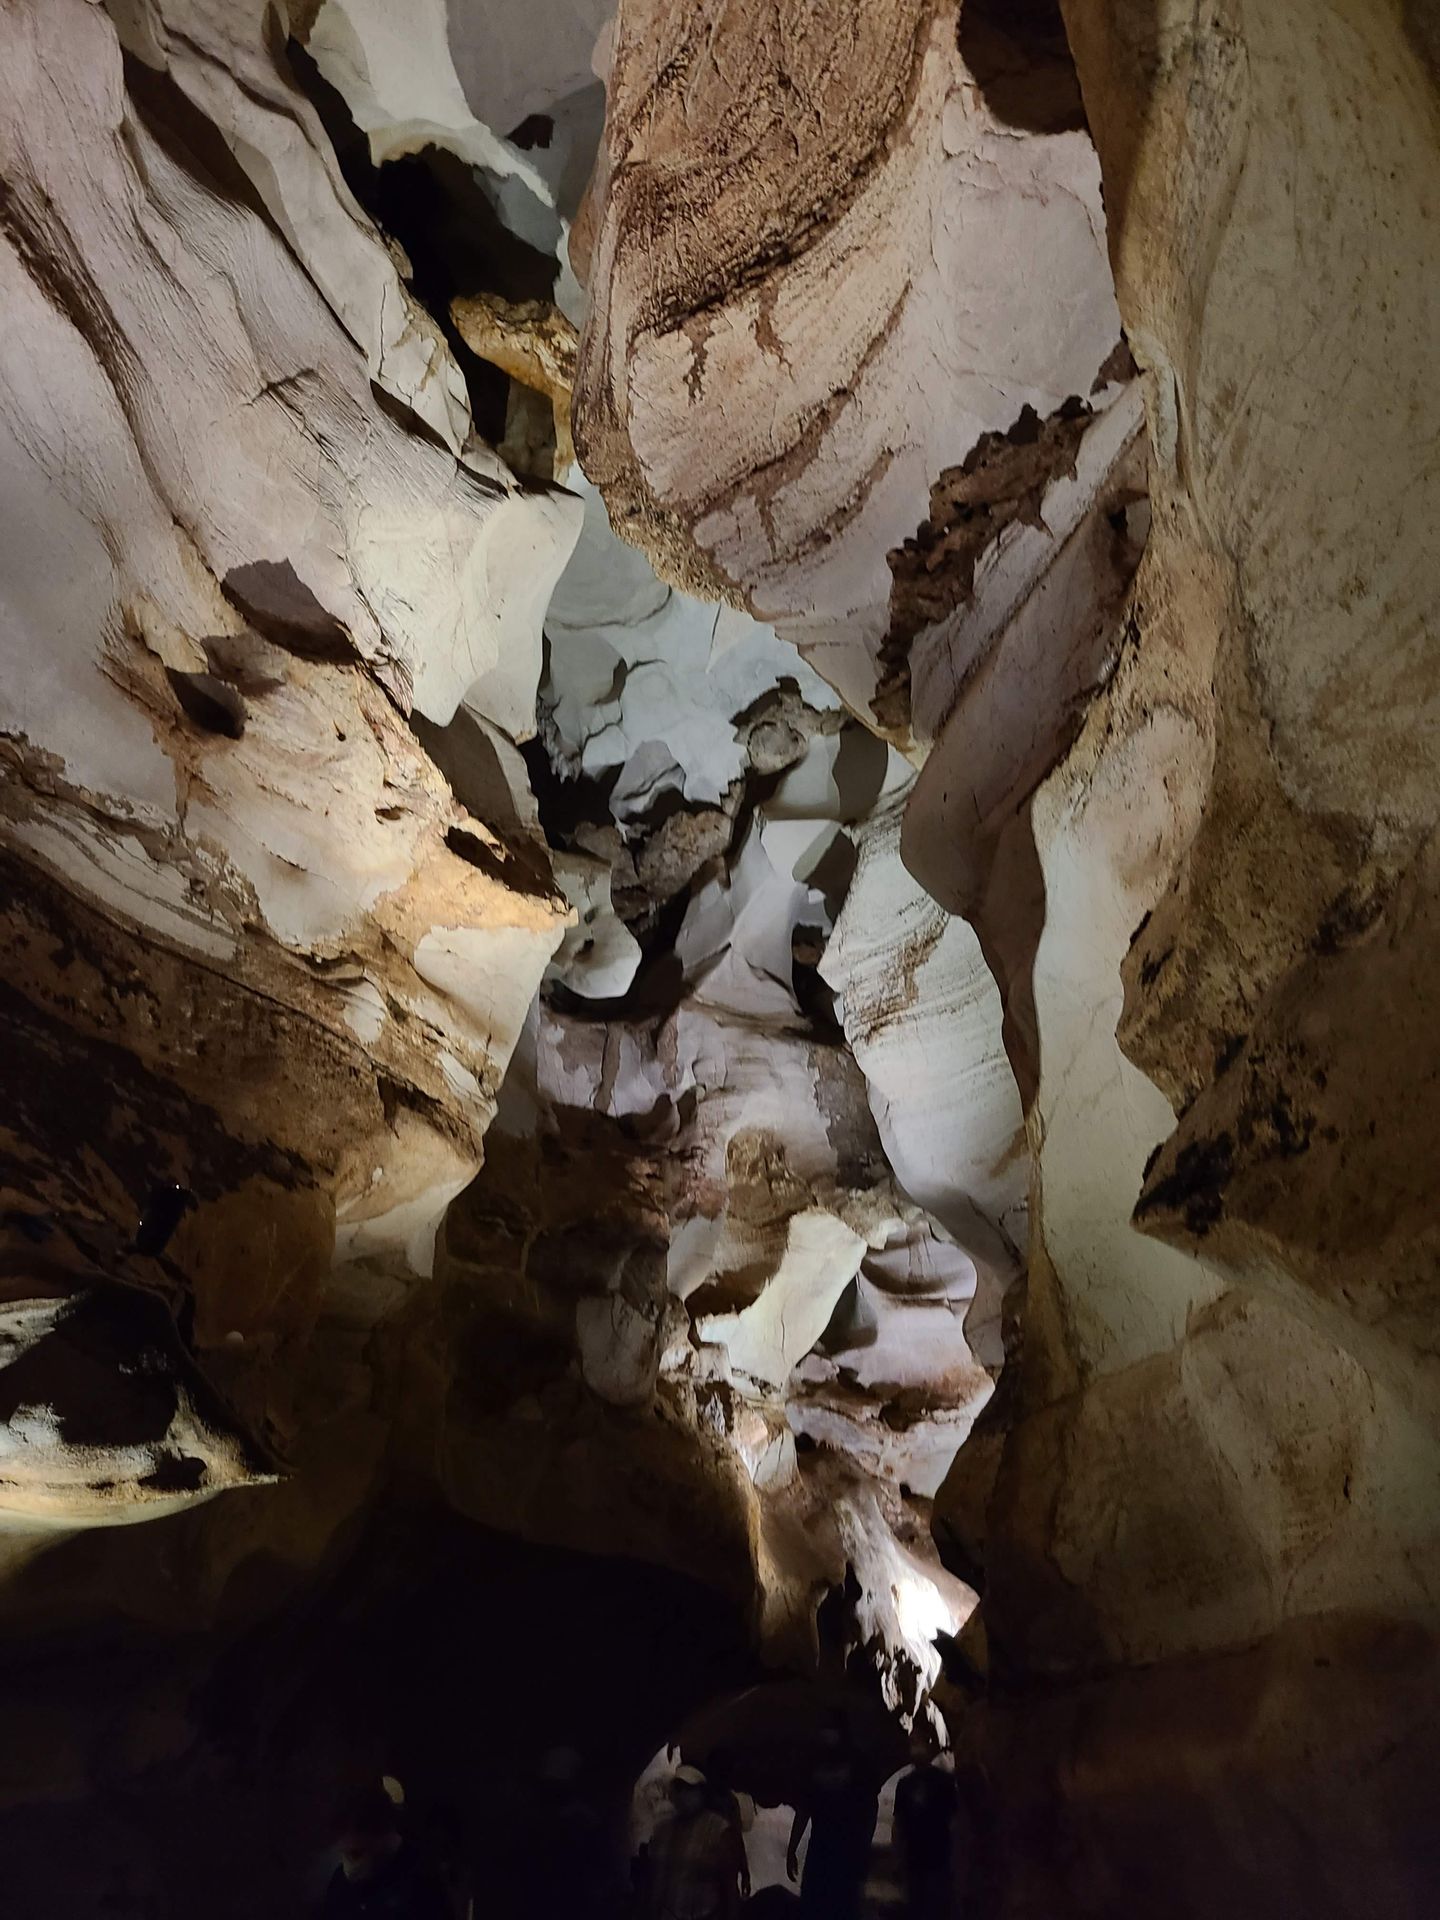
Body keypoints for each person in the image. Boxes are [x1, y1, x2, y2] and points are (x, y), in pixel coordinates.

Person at [785, 1713, 878, 1920]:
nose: (826, 1734)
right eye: (823, 1729)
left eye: (830, 1729)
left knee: (844, 1906)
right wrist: (792, 1847)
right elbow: (804, 1808)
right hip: (820, 1847)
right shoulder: (814, 1761)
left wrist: (863, 1846)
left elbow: (870, 1807)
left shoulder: (858, 1763)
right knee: (815, 1905)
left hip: (848, 1848)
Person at [317, 1784, 453, 1919]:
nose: (348, 1865)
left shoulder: (422, 1882)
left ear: (383, 1835)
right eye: (343, 1854)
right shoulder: (340, 1881)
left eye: (355, 1854)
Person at [644, 1765, 743, 1920]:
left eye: (689, 1788)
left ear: (701, 1792)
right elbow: (654, 1880)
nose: (683, 1794)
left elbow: (729, 1887)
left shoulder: (717, 1829)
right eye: (679, 1788)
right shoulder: (663, 1829)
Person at [893, 1733, 960, 1919]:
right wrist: (898, 1855)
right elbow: (899, 1822)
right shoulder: (905, 1784)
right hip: (915, 1856)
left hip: (938, 1856)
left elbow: (954, 1820)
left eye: (918, 1743)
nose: (915, 1749)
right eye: (912, 1744)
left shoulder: (944, 1782)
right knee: (917, 1905)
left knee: (934, 1906)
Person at [704, 1746, 753, 1902]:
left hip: (722, 1870)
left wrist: (744, 1871)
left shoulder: (729, 1801)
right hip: (707, 1870)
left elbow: (736, 1837)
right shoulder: (705, 1799)